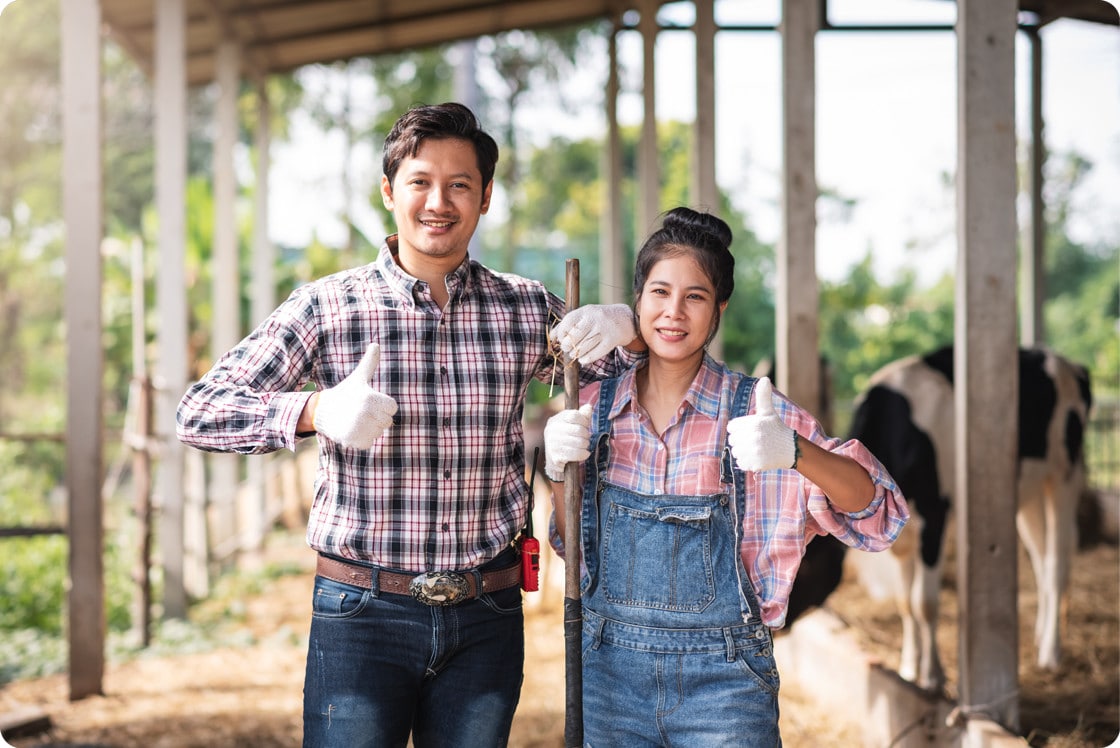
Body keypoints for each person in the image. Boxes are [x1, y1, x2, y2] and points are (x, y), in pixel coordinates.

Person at [176, 102, 642, 748]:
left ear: (484, 199)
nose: (439, 202)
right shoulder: (327, 306)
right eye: (421, 182)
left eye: (460, 185)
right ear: (390, 192)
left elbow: (644, 375)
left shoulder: (525, 308)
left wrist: (631, 326)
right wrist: (314, 410)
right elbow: (199, 410)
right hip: (361, 615)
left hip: (487, 615)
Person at [544, 207, 909, 746]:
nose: (673, 312)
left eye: (695, 296)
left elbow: (880, 516)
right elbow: (569, 543)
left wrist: (794, 451)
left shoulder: (757, 416)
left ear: (719, 310)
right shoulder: (590, 409)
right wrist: (558, 471)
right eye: (660, 293)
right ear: (636, 302)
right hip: (608, 682)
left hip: (726, 688)